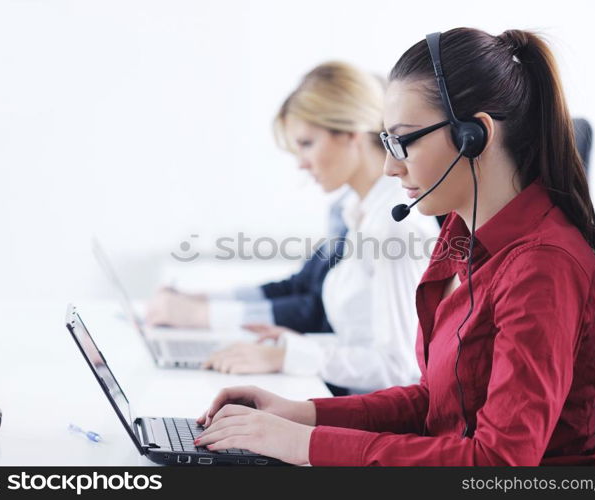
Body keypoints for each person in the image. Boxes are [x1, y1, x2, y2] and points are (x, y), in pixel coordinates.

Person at [190, 28, 595, 466]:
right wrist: (303, 415)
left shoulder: (543, 266)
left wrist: (305, 445)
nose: (390, 166)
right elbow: (434, 404)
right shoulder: (458, 235)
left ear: (476, 136)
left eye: (403, 141)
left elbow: (497, 462)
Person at [150, 62, 437, 393]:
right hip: (350, 398)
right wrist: (295, 347)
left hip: (375, 419)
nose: (301, 163)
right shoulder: (358, 212)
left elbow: (400, 369)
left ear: (349, 134)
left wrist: (287, 357)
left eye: (306, 143)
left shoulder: (394, 225)